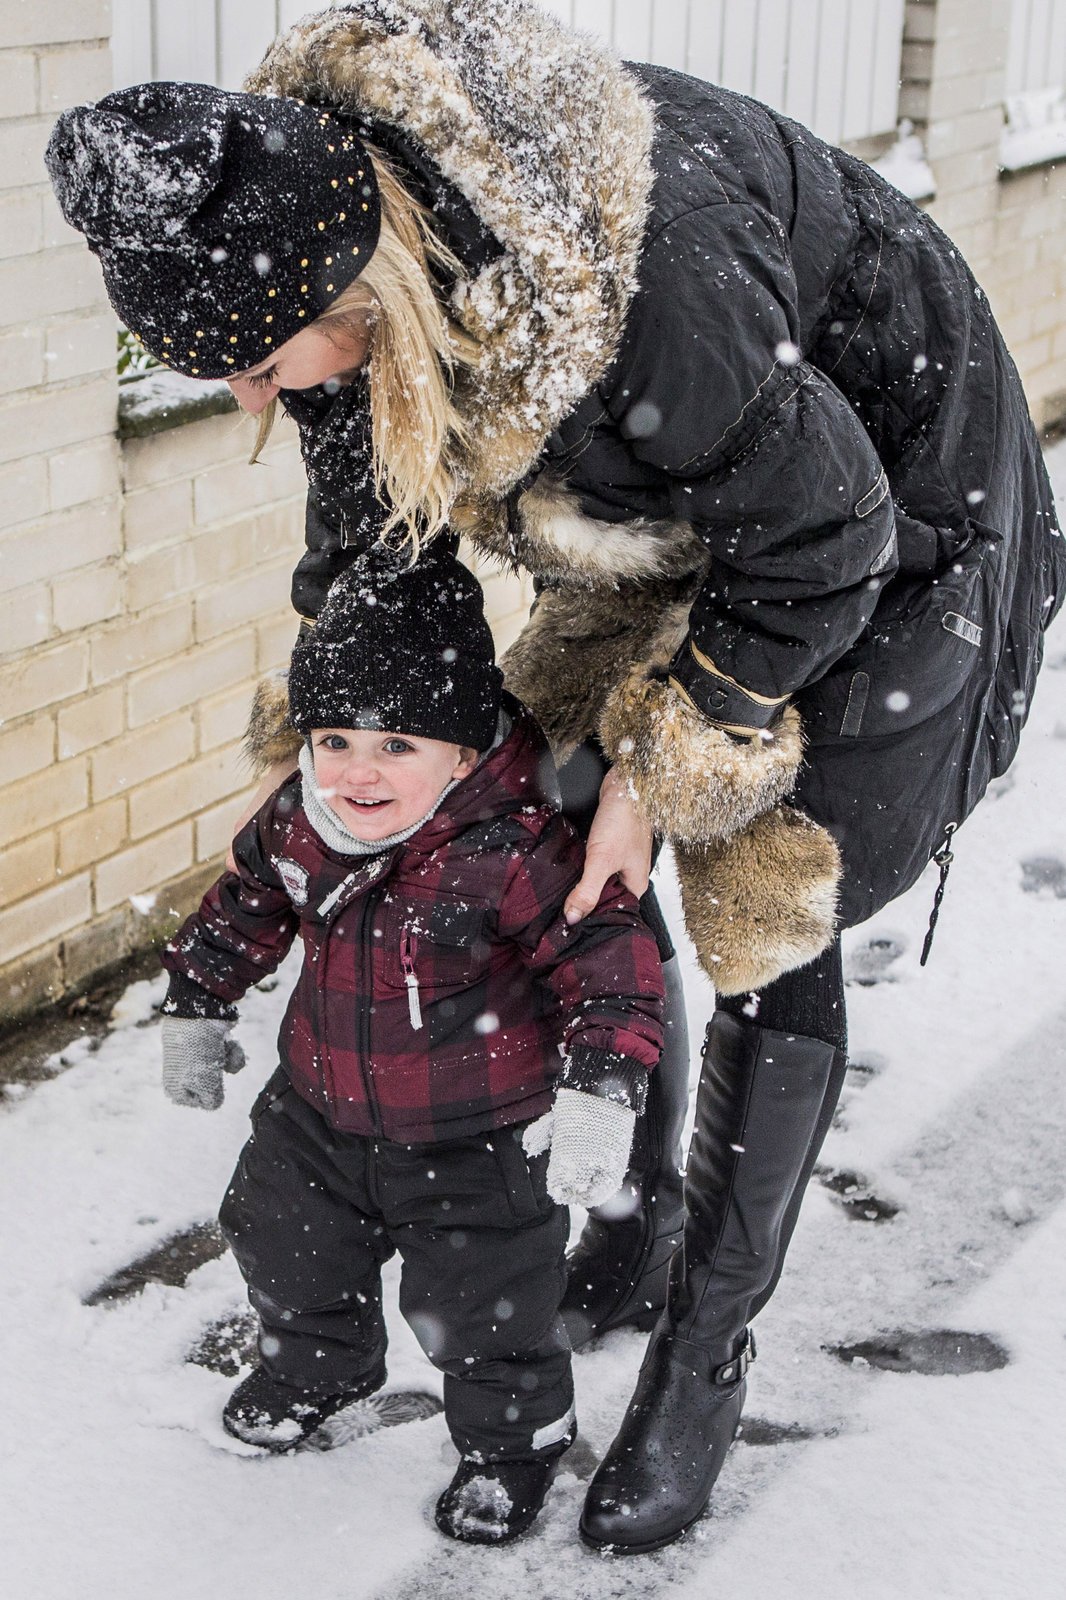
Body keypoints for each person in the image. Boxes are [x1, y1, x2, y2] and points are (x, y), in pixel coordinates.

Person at [47, 0, 1066, 1555]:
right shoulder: (345, 275)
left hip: (887, 511)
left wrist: (679, 748)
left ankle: (699, 1366)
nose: (252, 398)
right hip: (680, 484)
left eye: (257, 361)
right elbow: (373, 562)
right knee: (544, 811)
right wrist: (363, 733)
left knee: (761, 889)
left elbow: (822, 534)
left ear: (361, 282)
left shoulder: (651, 288)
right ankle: (640, 1212)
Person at [156, 541, 665, 1544]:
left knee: (490, 1310)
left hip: (476, 1134)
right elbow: (245, 902)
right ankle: (320, 1362)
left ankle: (512, 1444)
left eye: (397, 745)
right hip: (318, 1114)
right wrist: (196, 999)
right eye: (335, 738)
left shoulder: (515, 850)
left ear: (466, 750)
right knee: (281, 1243)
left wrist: (601, 1087)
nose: (357, 771)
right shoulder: (302, 821)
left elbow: (610, 961)